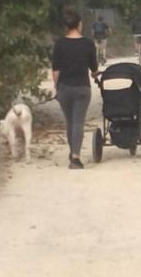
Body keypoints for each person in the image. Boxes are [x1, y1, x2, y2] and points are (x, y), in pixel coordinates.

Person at [51, 9, 98, 169]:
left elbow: (55, 70)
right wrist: (96, 75)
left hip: (64, 88)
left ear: (66, 26)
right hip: (82, 88)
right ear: (79, 24)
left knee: (69, 122)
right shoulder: (88, 43)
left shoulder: (59, 44)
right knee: (78, 122)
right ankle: (76, 158)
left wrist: (57, 88)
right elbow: (94, 68)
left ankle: (72, 153)